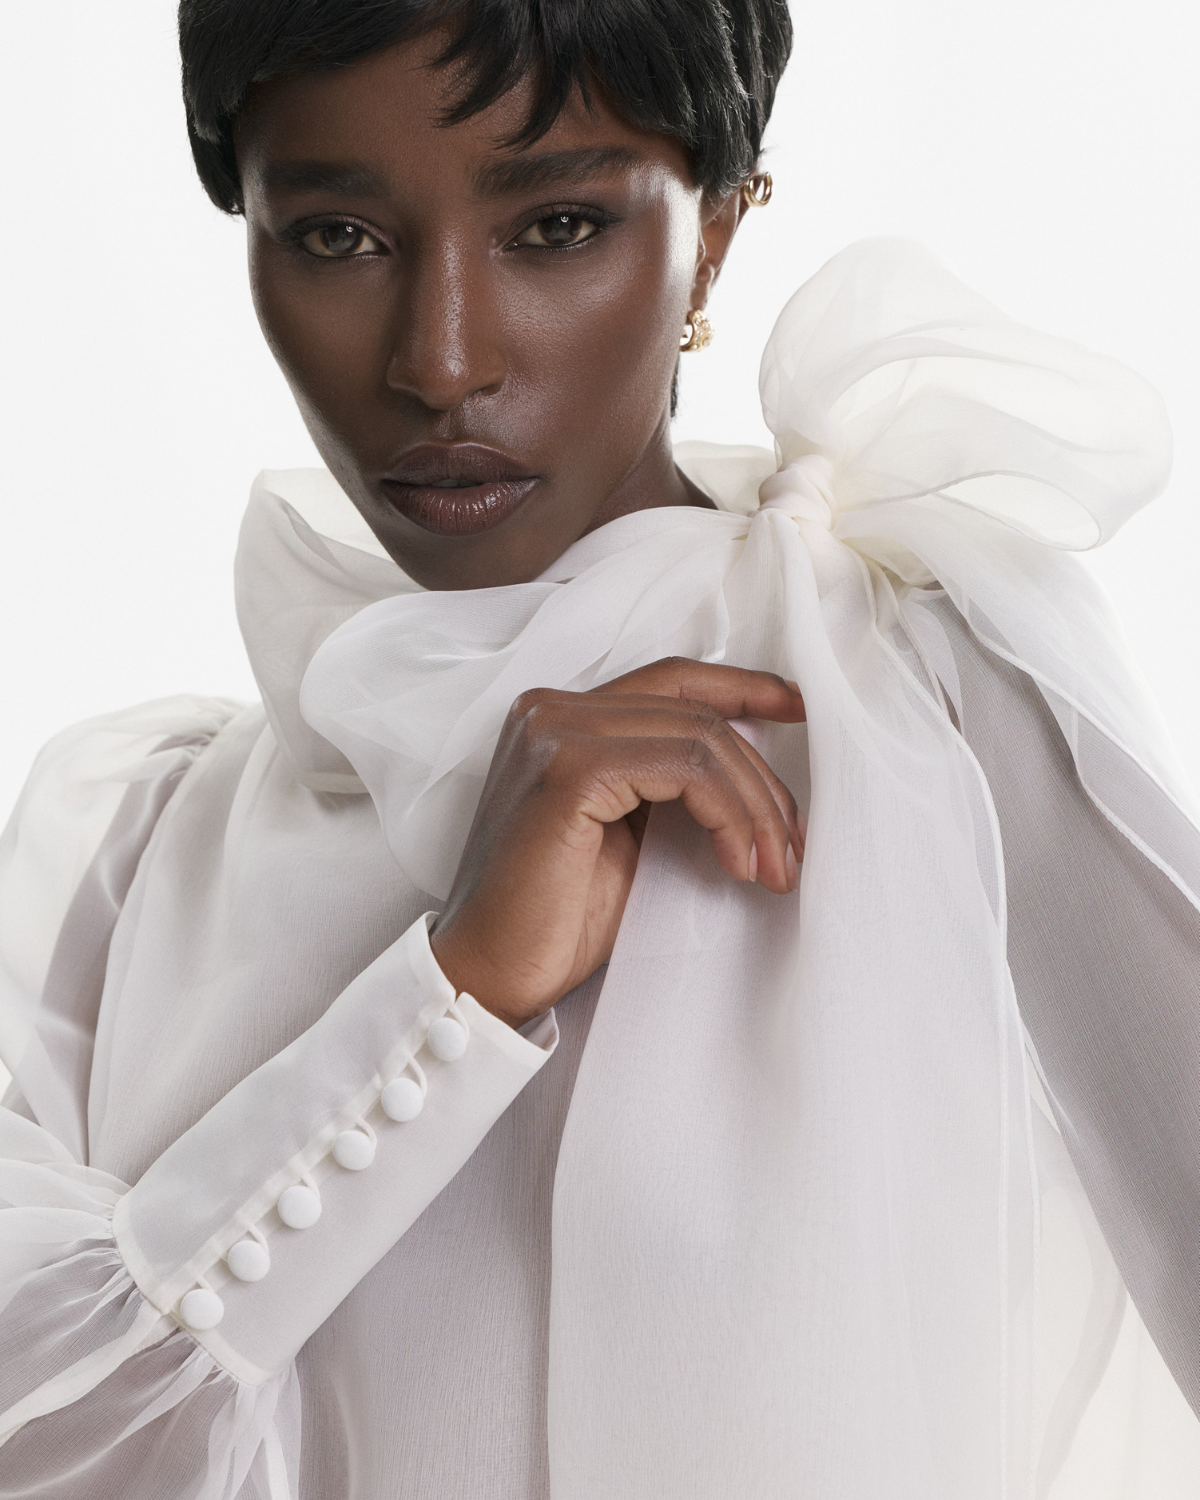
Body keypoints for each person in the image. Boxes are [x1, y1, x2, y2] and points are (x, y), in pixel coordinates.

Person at [2, 1, 1199, 1496]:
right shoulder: (120, 859)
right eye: (336, 237)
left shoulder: (924, 699)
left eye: (557, 225)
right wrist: (447, 1004)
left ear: (715, 232)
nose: (441, 360)